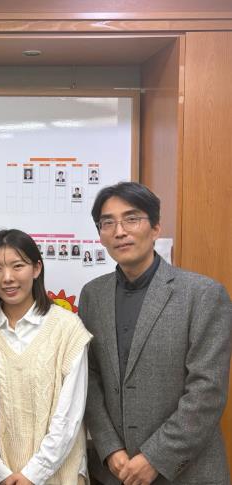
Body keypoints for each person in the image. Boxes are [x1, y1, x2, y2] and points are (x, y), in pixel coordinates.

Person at [80, 182, 232, 485]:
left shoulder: (202, 294)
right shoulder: (93, 295)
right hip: (116, 471)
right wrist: (110, 448)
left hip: (189, 473)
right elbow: (90, 377)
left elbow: (207, 390)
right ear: (100, 234)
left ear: (155, 228)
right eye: (108, 223)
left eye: (131, 219)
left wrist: (154, 458)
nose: (120, 231)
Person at [0, 229, 92, 485]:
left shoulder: (68, 327)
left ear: (36, 268)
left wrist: (33, 475)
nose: (8, 278)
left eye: (18, 266)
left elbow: (70, 415)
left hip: (57, 474)